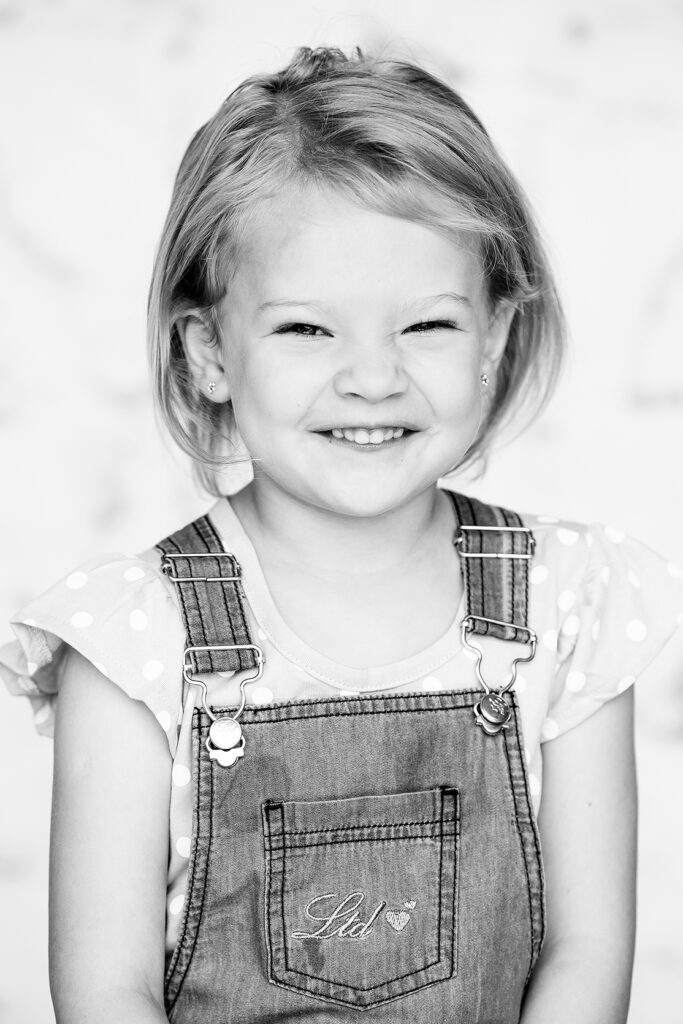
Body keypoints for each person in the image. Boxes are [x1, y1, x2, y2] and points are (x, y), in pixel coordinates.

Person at [2, 46, 682, 1024]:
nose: (371, 376)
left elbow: (584, 957)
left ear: (494, 333)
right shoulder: (134, 636)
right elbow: (106, 991)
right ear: (207, 354)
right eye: (305, 330)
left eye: (427, 326)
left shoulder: (566, 602)